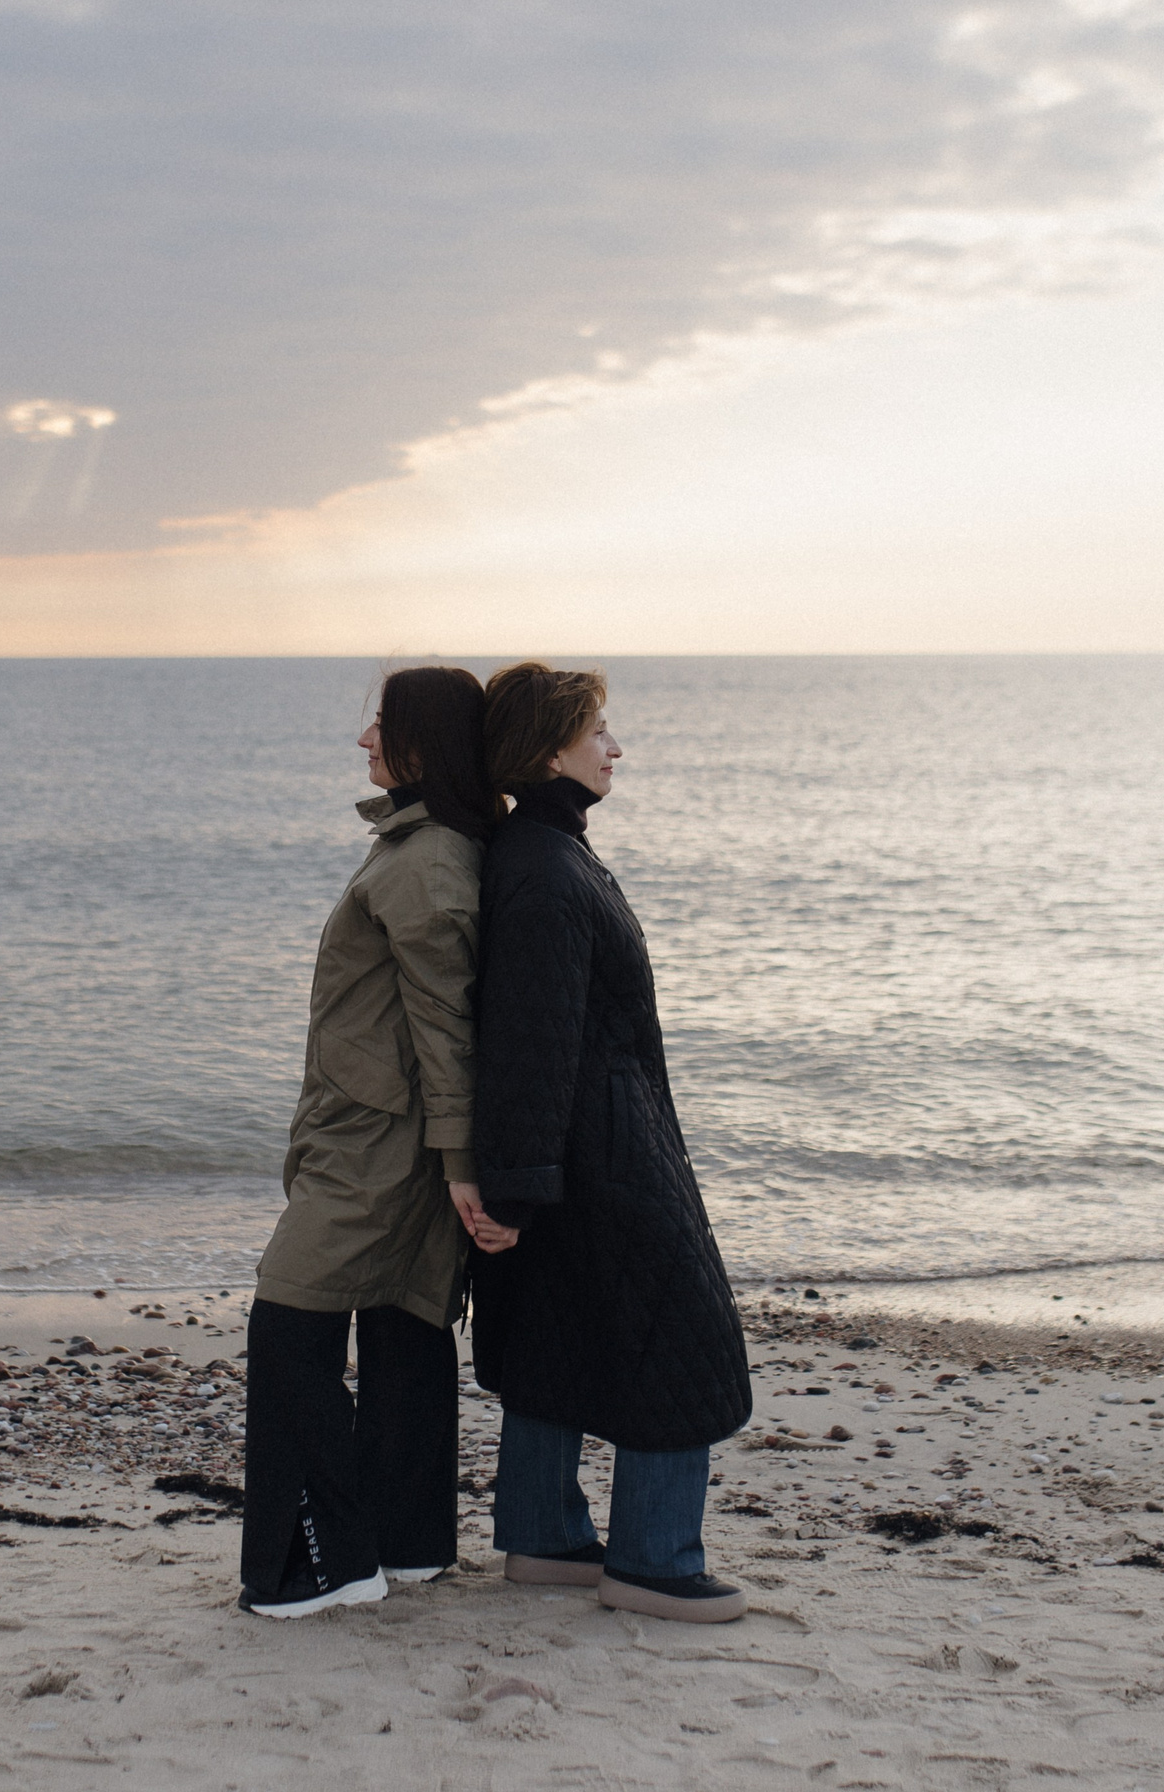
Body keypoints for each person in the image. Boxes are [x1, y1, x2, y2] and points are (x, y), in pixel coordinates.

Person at [464, 661, 752, 1624]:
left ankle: (545, 1539)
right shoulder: (544, 870)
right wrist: (513, 1190)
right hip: (602, 1161)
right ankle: (654, 1560)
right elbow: (530, 1042)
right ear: (551, 749)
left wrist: (518, 1184)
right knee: (688, 1339)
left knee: (553, 1333)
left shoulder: (542, 850)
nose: (616, 748)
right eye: (598, 733)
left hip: (587, 1153)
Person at [239, 665, 510, 1619]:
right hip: (384, 1140)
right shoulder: (424, 848)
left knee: (287, 1325)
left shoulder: (428, 862)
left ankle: (317, 1565)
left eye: (379, 726)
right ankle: (408, 1544)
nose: (364, 742)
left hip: (378, 1153)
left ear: (422, 745)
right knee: (403, 1329)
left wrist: (460, 1167)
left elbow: (448, 1029)